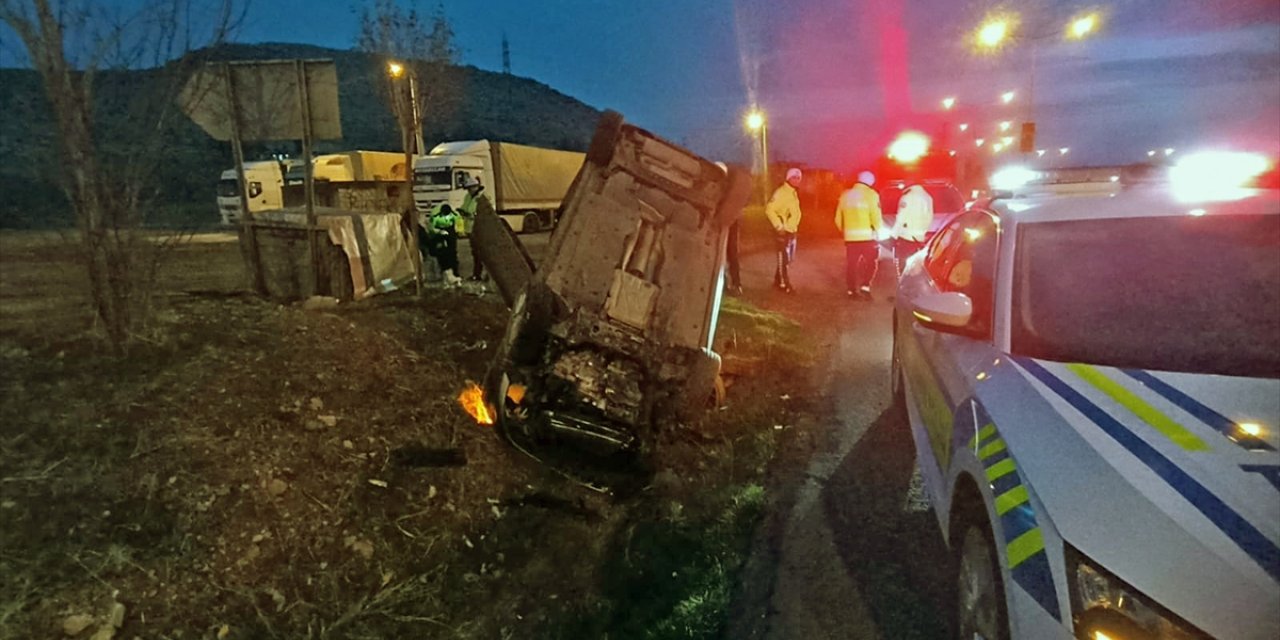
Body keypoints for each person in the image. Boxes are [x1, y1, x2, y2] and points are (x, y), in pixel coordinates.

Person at [834, 171, 882, 300]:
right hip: (868, 238)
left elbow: (838, 218)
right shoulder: (871, 195)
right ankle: (865, 286)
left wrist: (844, 231)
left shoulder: (845, 195)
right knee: (871, 263)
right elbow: (876, 216)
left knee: (852, 265)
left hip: (850, 238)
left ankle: (851, 290)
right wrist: (879, 230)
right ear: (871, 182)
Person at [765, 168, 803, 293]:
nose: (797, 180)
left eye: (799, 178)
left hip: (791, 231)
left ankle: (777, 279)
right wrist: (778, 226)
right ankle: (783, 284)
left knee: (787, 258)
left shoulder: (793, 193)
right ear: (788, 178)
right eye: (794, 177)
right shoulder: (781, 192)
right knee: (783, 257)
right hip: (782, 231)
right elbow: (769, 209)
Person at [892, 182, 934, 276]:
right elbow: (930, 217)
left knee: (903, 265)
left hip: (906, 236)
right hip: (920, 238)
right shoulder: (928, 197)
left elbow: (901, 217)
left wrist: (893, 235)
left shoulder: (908, 196)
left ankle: (904, 284)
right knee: (917, 265)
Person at [715, 162, 744, 295]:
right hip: (725, 217)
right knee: (723, 251)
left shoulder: (733, 173)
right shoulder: (728, 170)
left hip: (729, 219)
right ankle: (726, 282)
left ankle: (734, 283)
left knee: (730, 250)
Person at [456, 177, 488, 281]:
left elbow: (484, 213)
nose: (469, 190)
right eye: (468, 188)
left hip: (479, 229)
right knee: (475, 253)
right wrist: (462, 211)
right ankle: (477, 274)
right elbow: (465, 208)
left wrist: (468, 214)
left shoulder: (482, 198)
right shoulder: (468, 197)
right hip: (471, 229)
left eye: (470, 188)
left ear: (476, 187)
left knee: (481, 253)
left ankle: (483, 274)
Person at [426, 202, 463, 287]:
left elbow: (459, 222)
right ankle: (444, 271)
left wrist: (460, 231)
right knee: (441, 251)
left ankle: (455, 272)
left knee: (452, 251)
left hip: (450, 229)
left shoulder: (454, 214)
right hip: (439, 230)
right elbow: (431, 227)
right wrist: (439, 232)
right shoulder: (435, 215)